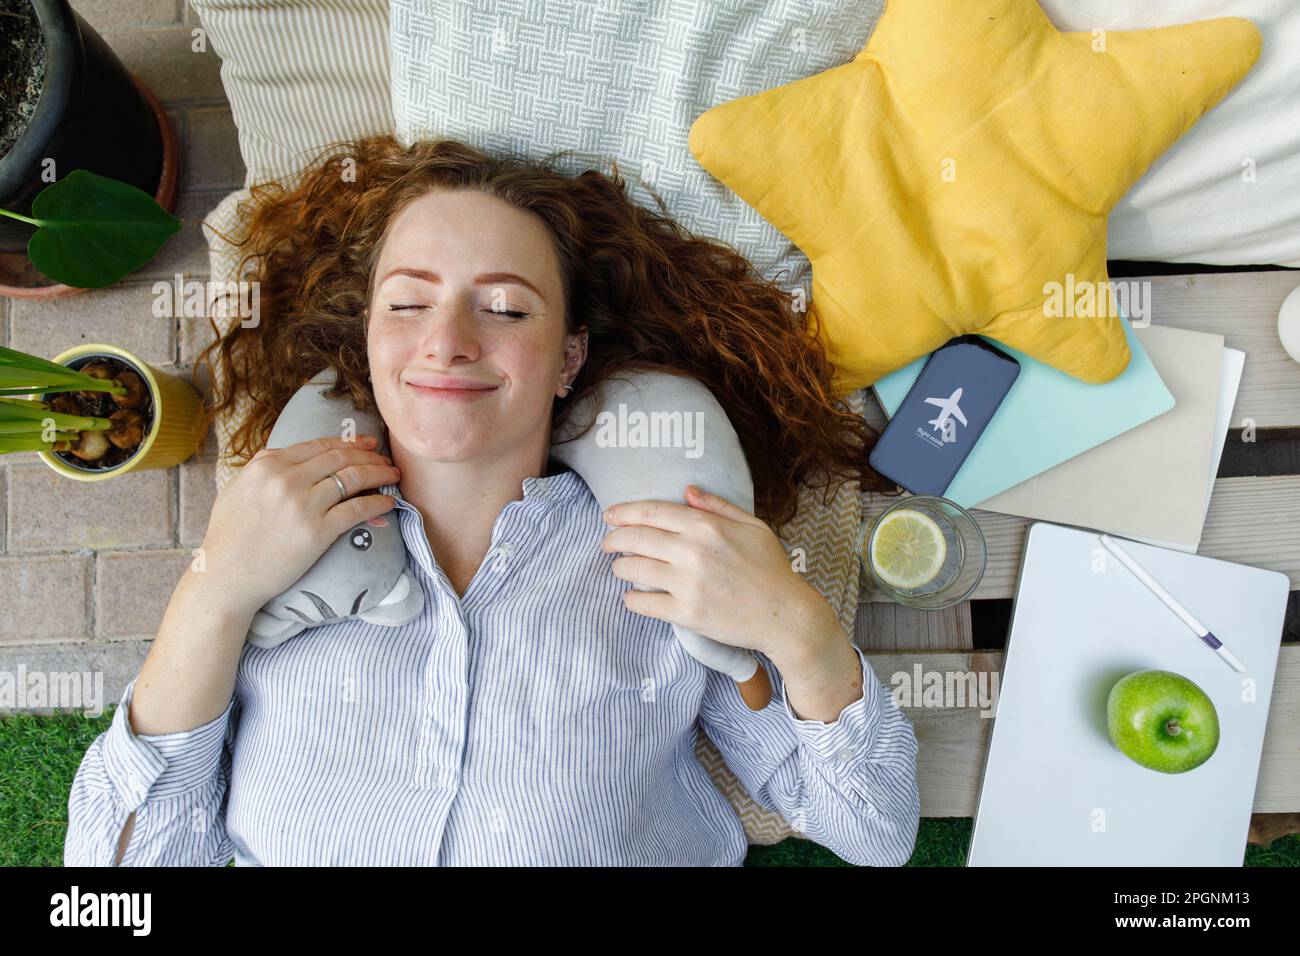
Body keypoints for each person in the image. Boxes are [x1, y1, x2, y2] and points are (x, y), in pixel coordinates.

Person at [64, 137, 918, 866]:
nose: (448, 341)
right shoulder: (268, 555)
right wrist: (213, 592)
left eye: (506, 308)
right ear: (367, 337)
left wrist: (799, 630)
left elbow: (872, 830)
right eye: (407, 303)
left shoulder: (665, 559)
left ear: (569, 358)